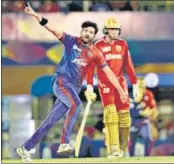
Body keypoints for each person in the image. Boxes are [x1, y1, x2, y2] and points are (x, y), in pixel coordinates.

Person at [16, 3, 128, 163]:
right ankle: (64, 143)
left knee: (51, 121)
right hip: (62, 81)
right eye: (86, 30)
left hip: (73, 88)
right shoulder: (70, 41)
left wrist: (122, 91)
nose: (88, 33)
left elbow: (108, 72)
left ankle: (25, 148)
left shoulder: (95, 54)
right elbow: (52, 28)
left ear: (94, 35)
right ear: (81, 32)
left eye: (91, 32)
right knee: (76, 105)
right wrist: (35, 15)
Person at [86, 17, 140, 158]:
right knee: (111, 116)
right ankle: (114, 148)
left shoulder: (123, 44)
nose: (115, 31)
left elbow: (128, 64)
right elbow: (91, 66)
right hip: (105, 84)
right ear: (106, 30)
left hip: (120, 83)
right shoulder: (97, 45)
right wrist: (90, 85)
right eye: (112, 29)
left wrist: (134, 83)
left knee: (125, 118)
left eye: (117, 29)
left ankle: (123, 147)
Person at [129, 77, 159, 156]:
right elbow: (131, 111)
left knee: (148, 138)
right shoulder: (132, 95)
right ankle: (131, 156)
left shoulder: (148, 94)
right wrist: (141, 112)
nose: (142, 86)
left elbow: (153, 108)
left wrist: (152, 113)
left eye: (143, 84)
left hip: (145, 120)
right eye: (139, 85)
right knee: (132, 139)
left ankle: (147, 157)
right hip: (134, 120)